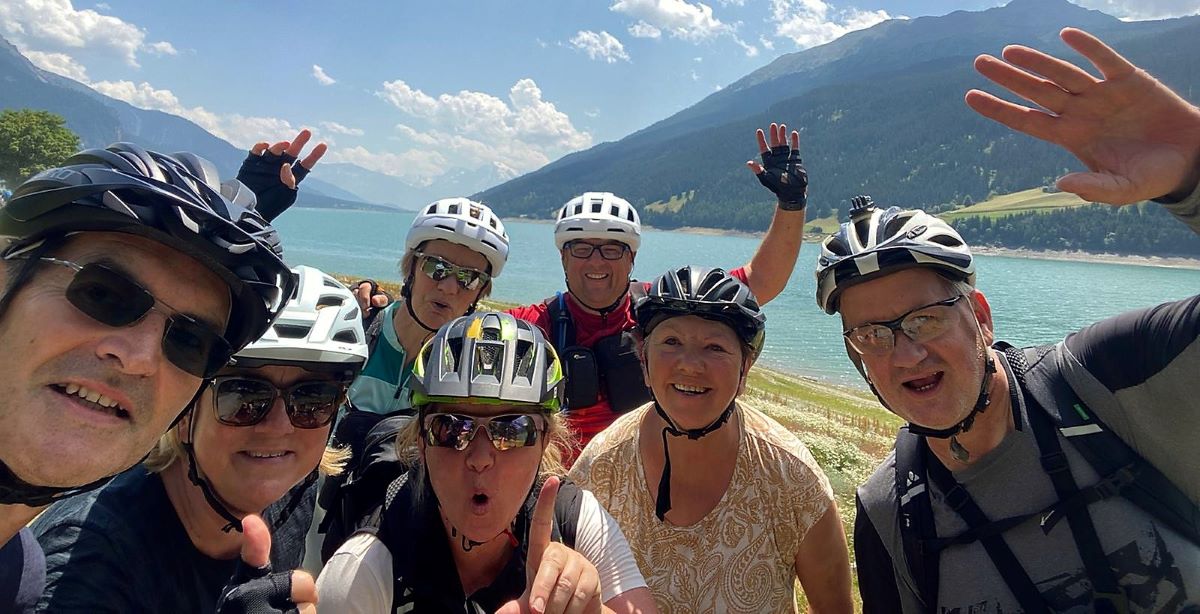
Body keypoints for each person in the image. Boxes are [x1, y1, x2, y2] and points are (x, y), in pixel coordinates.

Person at [823, 29, 1200, 612]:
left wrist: (1194, 175)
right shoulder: (889, 514)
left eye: (925, 319)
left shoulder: (1115, 381)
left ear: (979, 316)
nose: (905, 354)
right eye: (872, 335)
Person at [0, 141, 309, 612]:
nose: (140, 358)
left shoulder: (20, 578)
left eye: (190, 342)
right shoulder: (78, 563)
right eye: (103, 295)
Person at [29, 265, 366, 612]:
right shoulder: (89, 563)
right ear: (185, 410)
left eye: (313, 400)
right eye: (243, 395)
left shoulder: (292, 491)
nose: (279, 427)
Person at [317, 311, 657, 613]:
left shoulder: (576, 522)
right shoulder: (363, 570)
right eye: (451, 429)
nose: (480, 459)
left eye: (513, 430)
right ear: (421, 443)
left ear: (545, 443)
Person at [507, 123, 811, 459]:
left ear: (632, 258)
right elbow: (470, 330)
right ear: (563, 257)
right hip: (566, 484)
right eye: (581, 249)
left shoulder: (664, 306)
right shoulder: (536, 324)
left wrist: (791, 202)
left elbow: (761, 280)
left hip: (653, 476)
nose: (596, 261)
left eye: (612, 249)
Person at [569, 266, 853, 613]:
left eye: (715, 347)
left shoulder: (792, 477)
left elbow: (834, 607)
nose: (690, 365)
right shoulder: (601, 469)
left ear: (745, 368)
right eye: (671, 342)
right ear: (643, 358)